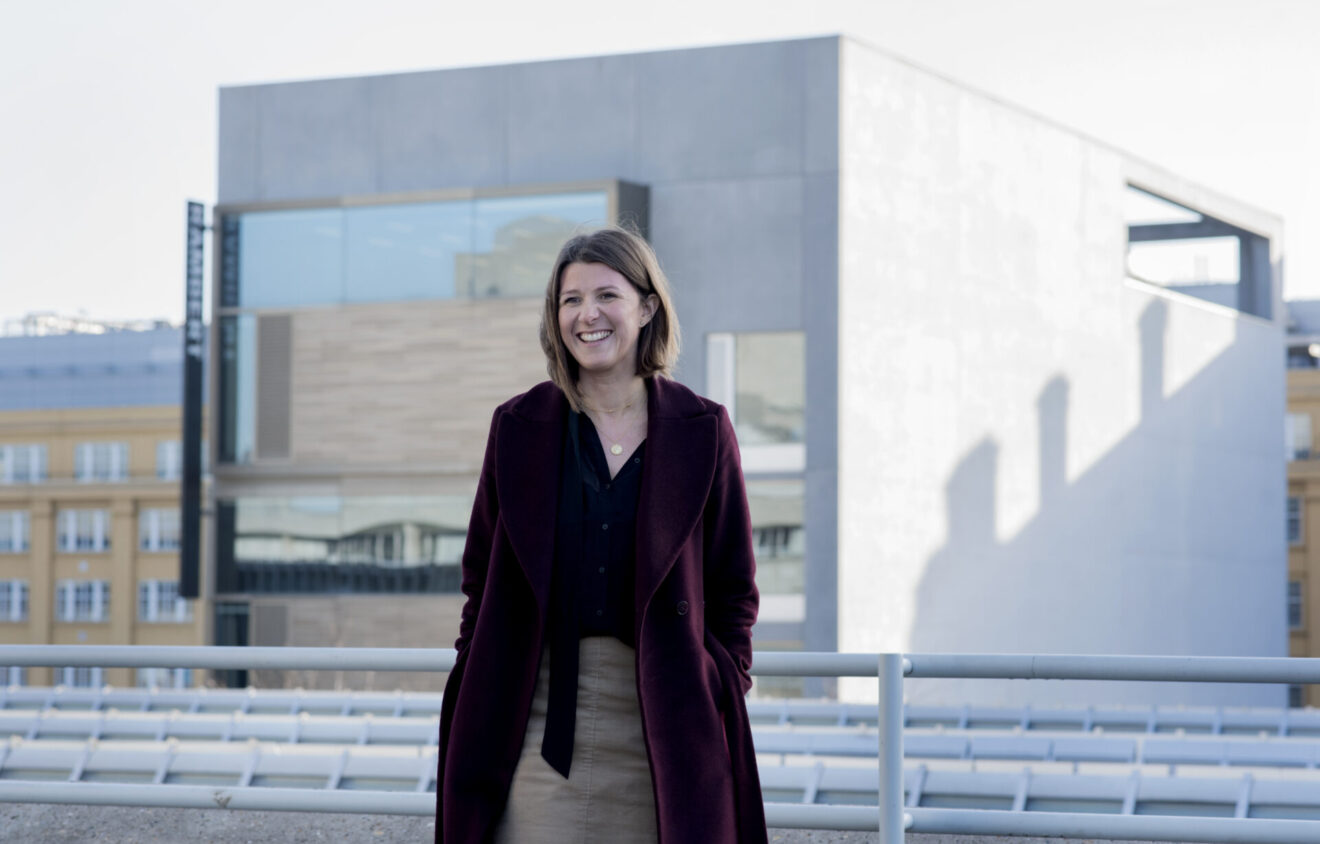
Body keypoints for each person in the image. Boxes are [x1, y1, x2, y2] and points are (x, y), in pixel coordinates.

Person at [435, 226, 767, 843]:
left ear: (646, 307)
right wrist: (476, 669)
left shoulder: (704, 429)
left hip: (667, 730)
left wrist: (717, 679)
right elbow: (480, 579)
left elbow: (734, 589)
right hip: (532, 720)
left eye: (606, 295)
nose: (587, 314)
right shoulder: (518, 426)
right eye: (570, 300)